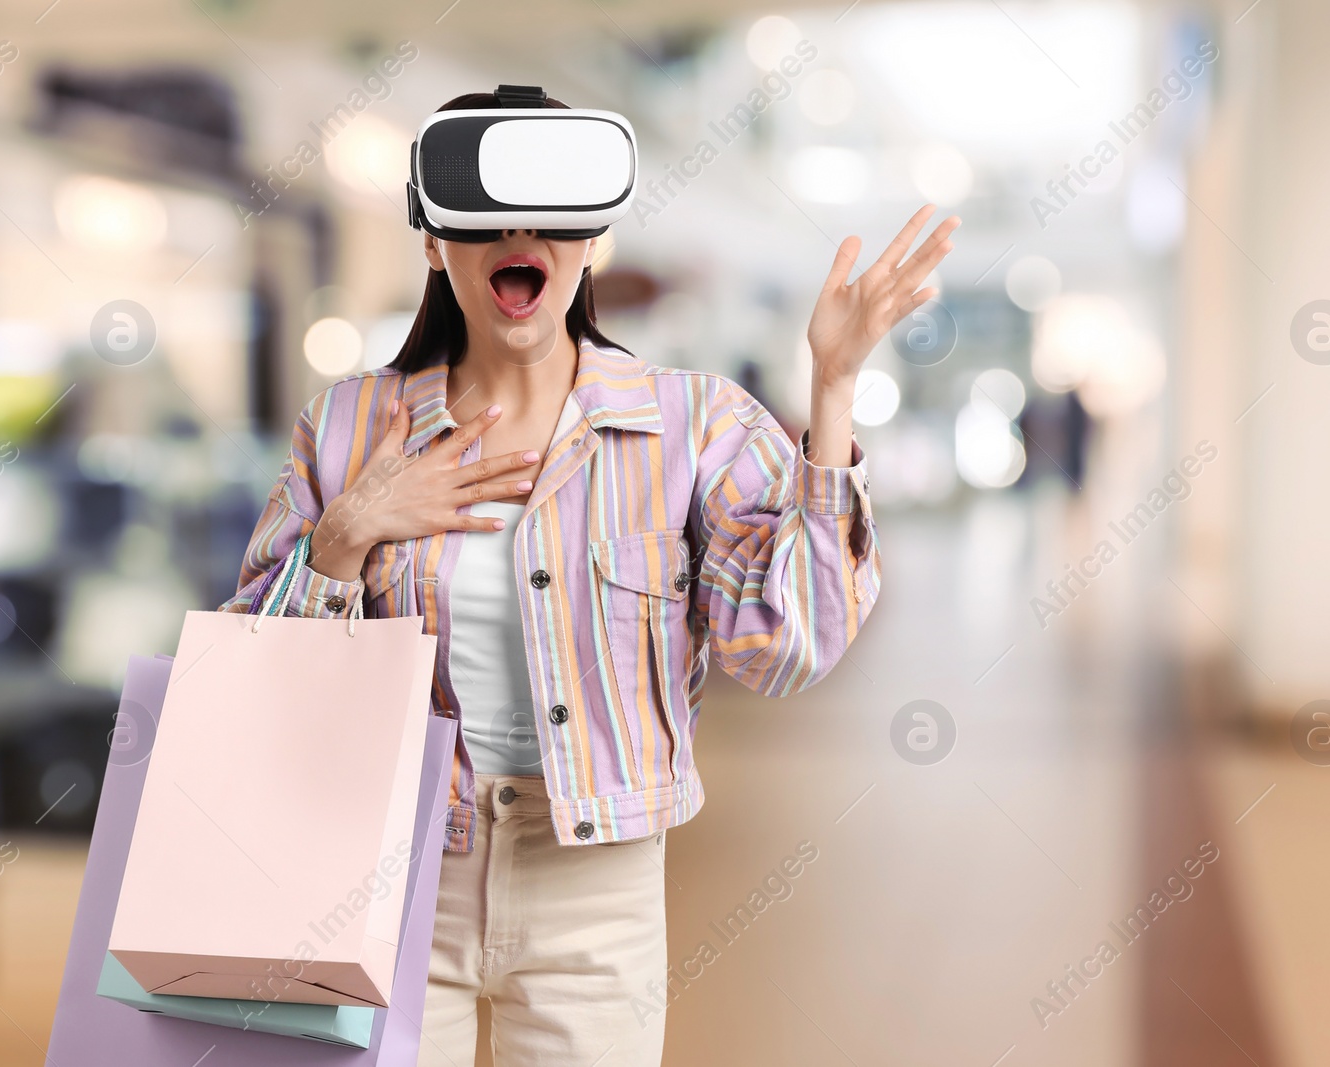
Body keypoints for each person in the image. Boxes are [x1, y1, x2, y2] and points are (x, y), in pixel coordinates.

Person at [219, 88, 958, 1067]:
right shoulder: (351, 428)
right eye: (484, 208)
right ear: (435, 240)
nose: (519, 230)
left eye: (552, 205)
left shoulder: (690, 425)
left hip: (596, 892)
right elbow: (259, 683)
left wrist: (830, 390)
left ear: (591, 239)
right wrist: (347, 533)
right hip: (383, 875)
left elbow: (790, 647)